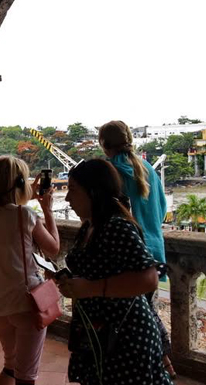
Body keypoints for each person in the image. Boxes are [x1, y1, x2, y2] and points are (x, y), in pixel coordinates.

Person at [57, 159, 172, 385]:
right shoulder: (90, 226)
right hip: (100, 333)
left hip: (124, 335)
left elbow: (149, 279)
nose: (68, 198)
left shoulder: (116, 226)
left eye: (73, 190)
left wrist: (90, 288)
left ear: (93, 192)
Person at [98, 120, 175, 377]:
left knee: (134, 319)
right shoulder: (148, 169)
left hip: (128, 250)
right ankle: (164, 363)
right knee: (145, 311)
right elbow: (162, 209)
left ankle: (157, 366)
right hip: (153, 247)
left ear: (104, 145)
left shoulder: (112, 172)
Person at [0, 156, 59, 385]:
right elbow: (53, 248)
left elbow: (6, 209)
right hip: (26, 303)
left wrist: (25, 195)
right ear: (21, 182)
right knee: (27, 376)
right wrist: (48, 210)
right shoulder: (25, 215)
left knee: (10, 366)